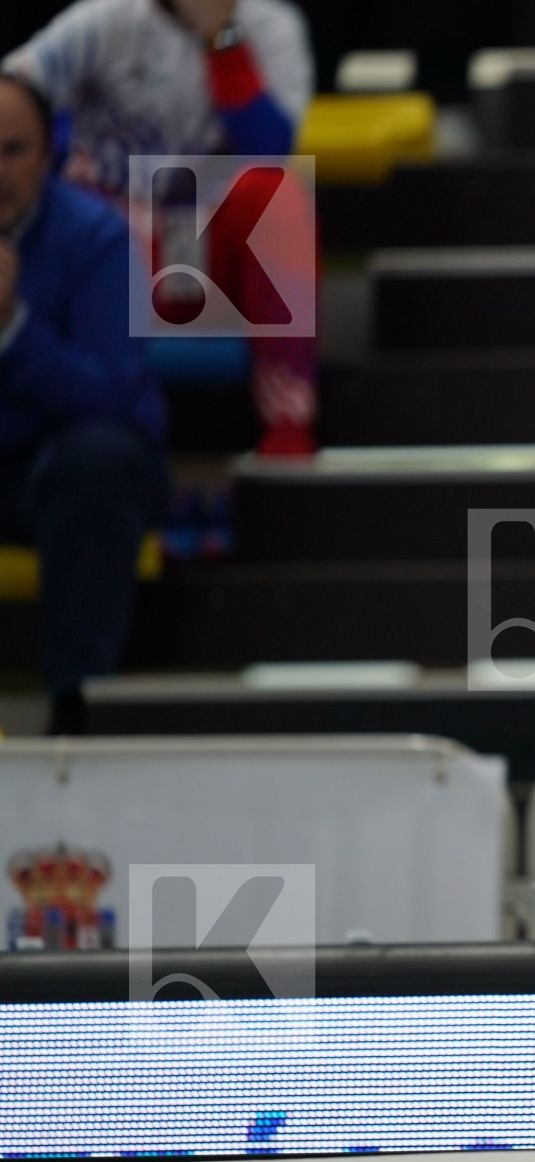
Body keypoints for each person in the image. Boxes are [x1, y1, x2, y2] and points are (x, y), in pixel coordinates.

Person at [5, 0, 317, 456]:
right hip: (118, 246)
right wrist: (69, 150)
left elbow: (272, 147)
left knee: (279, 197)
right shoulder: (103, 21)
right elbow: (13, 104)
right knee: (81, 204)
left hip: (216, 250)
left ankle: (287, 431)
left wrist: (222, 40)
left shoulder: (273, 26)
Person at [0, 73, 166, 734]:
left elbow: (111, 394)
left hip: (74, 472)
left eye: (12, 150)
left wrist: (12, 329)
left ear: (49, 156)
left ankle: (79, 710)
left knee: (95, 460)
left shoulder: (96, 241)